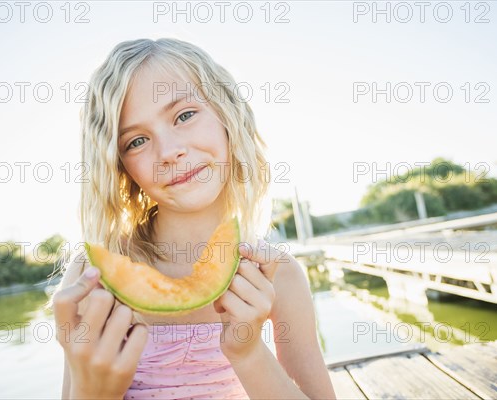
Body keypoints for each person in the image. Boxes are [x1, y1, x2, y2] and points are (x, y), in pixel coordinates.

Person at [50, 37, 336, 400]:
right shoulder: (94, 280)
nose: (169, 152)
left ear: (227, 113)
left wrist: (248, 354)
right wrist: (91, 390)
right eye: (136, 141)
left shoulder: (281, 276)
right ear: (121, 168)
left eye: (184, 115)